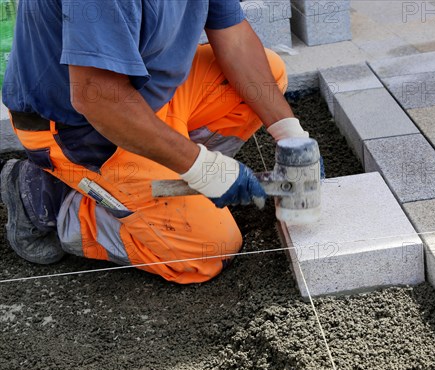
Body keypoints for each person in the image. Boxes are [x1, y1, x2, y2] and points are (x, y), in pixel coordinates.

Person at [0, 0, 314, 284]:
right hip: (80, 130)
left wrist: (292, 137)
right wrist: (202, 167)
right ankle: (54, 203)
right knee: (208, 250)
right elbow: (99, 100)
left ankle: (157, 181)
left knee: (267, 77)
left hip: (145, 98)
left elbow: (234, 38)